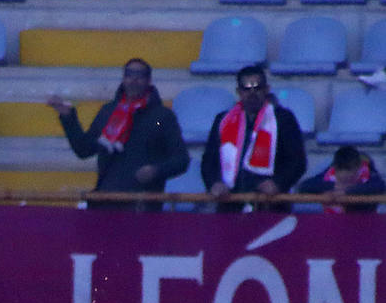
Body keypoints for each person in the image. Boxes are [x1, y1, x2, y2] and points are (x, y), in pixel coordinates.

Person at [46, 58, 189, 209]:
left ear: (149, 81)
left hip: (143, 205)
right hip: (106, 200)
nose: (133, 79)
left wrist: (156, 171)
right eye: (129, 74)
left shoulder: (162, 116)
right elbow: (84, 150)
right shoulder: (108, 111)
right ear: (123, 79)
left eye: (139, 75)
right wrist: (68, 118)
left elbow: (181, 160)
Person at [200, 65, 306, 212]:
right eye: (247, 88)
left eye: (257, 87)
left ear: (267, 89)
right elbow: (209, 160)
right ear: (239, 92)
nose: (252, 93)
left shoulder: (283, 119)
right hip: (230, 205)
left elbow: (297, 161)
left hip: (270, 206)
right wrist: (214, 183)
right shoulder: (223, 120)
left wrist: (278, 183)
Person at [295, 145, 386, 213]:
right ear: (335, 168)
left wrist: (348, 190)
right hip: (332, 222)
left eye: (351, 177)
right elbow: (304, 186)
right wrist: (333, 186)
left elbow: (379, 186)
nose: (345, 180)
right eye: (341, 179)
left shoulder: (370, 174)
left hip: (363, 222)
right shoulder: (328, 174)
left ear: (358, 167)